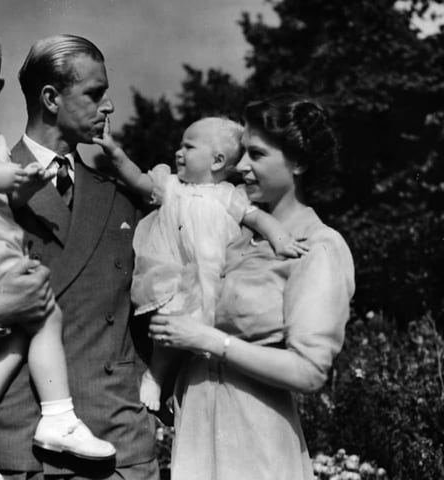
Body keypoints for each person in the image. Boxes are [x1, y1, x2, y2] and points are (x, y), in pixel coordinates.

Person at [0, 33, 159, 480]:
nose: (108, 106)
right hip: (23, 443)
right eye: (95, 93)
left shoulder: (123, 195)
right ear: (50, 98)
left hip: (117, 442)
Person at [147, 94, 356, 480]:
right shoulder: (232, 235)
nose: (241, 166)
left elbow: (309, 371)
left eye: (256, 155)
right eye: (241, 153)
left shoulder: (318, 246)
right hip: (195, 434)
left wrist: (211, 341)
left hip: (257, 445)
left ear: (299, 162)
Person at [93, 117, 308, 412]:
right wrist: (115, 153)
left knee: (201, 339)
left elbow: (259, 219)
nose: (178, 152)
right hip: (174, 274)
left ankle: (177, 390)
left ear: (217, 160)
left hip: (214, 278)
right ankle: (155, 376)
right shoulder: (171, 186)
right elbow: (139, 181)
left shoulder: (229, 196)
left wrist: (280, 238)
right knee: (170, 326)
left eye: (188, 147)